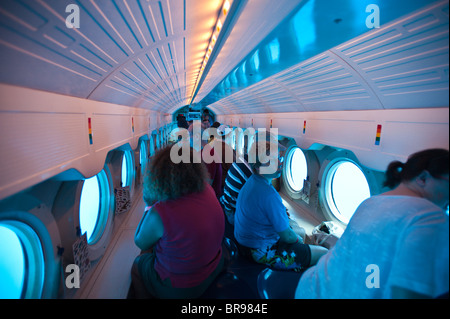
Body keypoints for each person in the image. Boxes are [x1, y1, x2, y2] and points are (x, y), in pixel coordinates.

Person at [295, 148, 449, 299]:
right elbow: (406, 293)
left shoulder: (370, 202)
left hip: (311, 287)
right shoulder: (430, 217)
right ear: (423, 178)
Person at [131, 144, 225, 299]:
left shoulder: (161, 211)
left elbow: (139, 242)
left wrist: (148, 205)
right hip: (215, 265)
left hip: (183, 287)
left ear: (160, 175)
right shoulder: (207, 189)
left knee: (138, 263)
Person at [234, 133, 328, 271]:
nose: (279, 163)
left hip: (244, 244)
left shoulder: (252, 182)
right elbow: (288, 237)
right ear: (258, 167)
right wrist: (299, 243)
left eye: (278, 158)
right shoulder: (268, 195)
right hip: (258, 251)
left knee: (299, 231)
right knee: (323, 253)